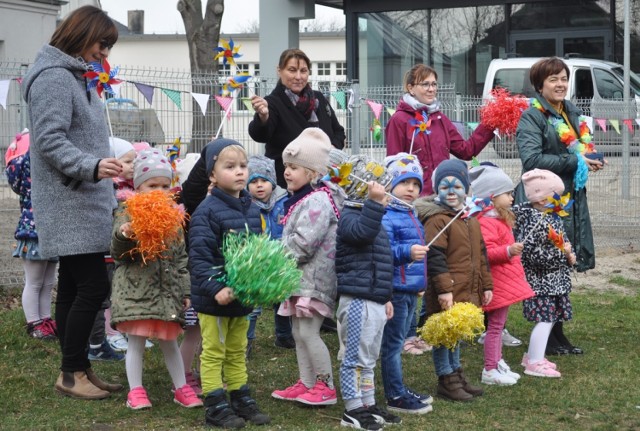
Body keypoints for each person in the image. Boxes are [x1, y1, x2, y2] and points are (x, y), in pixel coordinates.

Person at [22, 5, 123, 400]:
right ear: (81, 35)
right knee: (93, 287)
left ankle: (77, 368)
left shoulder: (75, 76)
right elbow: (49, 140)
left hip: (80, 198)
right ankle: (70, 371)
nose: (105, 54)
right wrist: (93, 167)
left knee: (73, 288)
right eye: (102, 43)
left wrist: (103, 164)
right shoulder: (54, 78)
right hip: (70, 200)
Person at [515, 57, 603, 355]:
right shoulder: (532, 116)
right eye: (553, 79)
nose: (560, 84)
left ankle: (557, 333)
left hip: (570, 199)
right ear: (540, 84)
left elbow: (579, 149)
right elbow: (532, 160)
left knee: (563, 264)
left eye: (564, 78)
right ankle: (547, 336)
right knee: (546, 266)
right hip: (543, 203)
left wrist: (590, 157)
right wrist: (576, 160)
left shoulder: (571, 112)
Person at [109, 149, 202, 410]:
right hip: (136, 293)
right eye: (152, 185)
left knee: (169, 341)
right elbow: (119, 254)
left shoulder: (173, 217)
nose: (159, 191)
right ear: (138, 187)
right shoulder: (128, 213)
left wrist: (185, 291)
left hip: (166, 293)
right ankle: (136, 391)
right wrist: (125, 235)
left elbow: (180, 258)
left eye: (164, 185)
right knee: (136, 342)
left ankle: (181, 387)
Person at [189, 139, 271, 429]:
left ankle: (240, 395)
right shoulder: (206, 212)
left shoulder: (251, 208)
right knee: (214, 351)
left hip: (242, 295)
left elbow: (256, 251)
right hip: (215, 297)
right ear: (212, 175)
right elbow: (199, 258)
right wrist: (217, 288)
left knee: (237, 348)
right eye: (230, 166)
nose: (239, 172)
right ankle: (214, 404)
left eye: (243, 166)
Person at [271, 128, 344, 407]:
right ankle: (307, 382)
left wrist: (275, 257)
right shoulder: (304, 198)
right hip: (300, 279)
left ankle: (325, 385)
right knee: (298, 332)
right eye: (286, 166)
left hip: (315, 280)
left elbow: (304, 243)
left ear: (313, 173)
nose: (287, 172)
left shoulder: (318, 201)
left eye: (294, 167)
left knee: (309, 332)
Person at [415, 159, 493, 402]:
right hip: (447, 289)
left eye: (457, 187)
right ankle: (446, 379)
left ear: (467, 190)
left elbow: (481, 254)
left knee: (456, 333)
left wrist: (487, 284)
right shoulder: (438, 219)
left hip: (466, 287)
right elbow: (435, 257)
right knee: (443, 335)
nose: (451, 192)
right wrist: (443, 289)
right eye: (445, 187)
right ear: (437, 189)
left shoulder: (469, 218)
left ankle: (457, 372)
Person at [336, 178, 399, 430]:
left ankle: (367, 404)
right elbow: (361, 234)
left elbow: (381, 263)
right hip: (357, 300)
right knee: (354, 358)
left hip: (375, 299)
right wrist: (374, 203)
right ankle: (352, 409)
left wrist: (386, 296)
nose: (385, 194)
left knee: (369, 358)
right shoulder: (350, 216)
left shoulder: (373, 219)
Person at [469, 164, 535, 386]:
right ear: (492, 196)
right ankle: (490, 368)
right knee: (495, 327)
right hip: (496, 282)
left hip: (502, 282)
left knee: (498, 325)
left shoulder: (498, 218)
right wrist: (507, 251)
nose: (511, 196)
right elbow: (484, 251)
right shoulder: (486, 222)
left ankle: (497, 362)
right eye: (507, 193)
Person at [385, 64, 495, 196]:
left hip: (441, 195)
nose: (431, 89)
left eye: (434, 84)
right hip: (415, 197)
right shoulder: (399, 120)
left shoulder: (440, 119)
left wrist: (490, 122)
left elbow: (466, 150)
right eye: (425, 84)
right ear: (411, 88)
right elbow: (394, 165)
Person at [379, 153, 432, 415]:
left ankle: (399, 388)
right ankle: (395, 395)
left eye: (415, 184)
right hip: (395, 291)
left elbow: (419, 255)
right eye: (404, 183)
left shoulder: (411, 214)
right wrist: (408, 252)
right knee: (393, 344)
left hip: (410, 290)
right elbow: (385, 252)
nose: (410, 189)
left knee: (398, 341)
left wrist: (420, 282)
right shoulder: (387, 215)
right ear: (389, 184)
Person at [248, 48, 346, 188]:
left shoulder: (319, 99)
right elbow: (260, 134)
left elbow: (339, 132)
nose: (298, 77)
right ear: (279, 70)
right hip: (287, 185)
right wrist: (263, 116)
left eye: (303, 71)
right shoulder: (273, 103)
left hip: (324, 182)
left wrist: (330, 148)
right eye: (292, 70)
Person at [513, 169, 577, 378]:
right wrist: (561, 256)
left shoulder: (550, 217)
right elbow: (532, 255)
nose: (560, 200)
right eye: (555, 196)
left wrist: (569, 253)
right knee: (545, 318)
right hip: (541, 283)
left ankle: (533, 355)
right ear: (541, 199)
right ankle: (534, 361)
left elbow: (561, 240)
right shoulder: (535, 222)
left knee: (549, 318)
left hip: (554, 281)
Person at [5, 130, 58, 341]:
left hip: (52, 231)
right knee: (35, 281)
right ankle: (34, 322)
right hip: (34, 232)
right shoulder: (30, 166)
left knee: (47, 282)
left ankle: (45, 319)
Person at [88, 137, 135, 361]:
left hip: (117, 251)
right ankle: (103, 336)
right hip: (105, 250)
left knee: (114, 293)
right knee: (103, 295)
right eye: (127, 161)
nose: (133, 165)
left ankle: (115, 332)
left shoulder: (130, 189)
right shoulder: (111, 190)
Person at [245, 155, 294, 354]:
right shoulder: (246, 205)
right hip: (256, 262)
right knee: (253, 305)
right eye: (253, 181)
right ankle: (246, 341)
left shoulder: (285, 202)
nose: (259, 186)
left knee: (282, 299)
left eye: (263, 181)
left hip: (281, 259)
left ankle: (283, 335)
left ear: (272, 182)